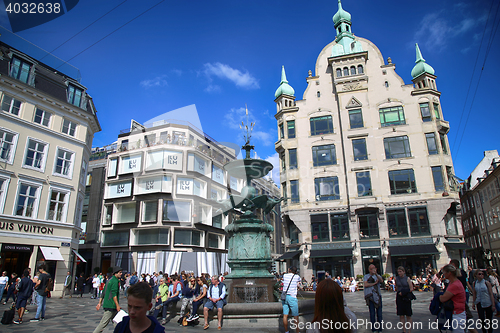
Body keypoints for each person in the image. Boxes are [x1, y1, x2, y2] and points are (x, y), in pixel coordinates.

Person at [93, 266, 122, 333]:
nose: (121, 274)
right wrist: (117, 305)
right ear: (115, 273)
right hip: (111, 305)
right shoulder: (115, 281)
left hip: (110, 305)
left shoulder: (109, 280)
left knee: (116, 322)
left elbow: (103, 293)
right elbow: (114, 294)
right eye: (120, 272)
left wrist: (99, 303)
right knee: (103, 324)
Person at [439, 264, 466, 333]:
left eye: (444, 272)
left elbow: (443, 298)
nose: (443, 274)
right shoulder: (453, 282)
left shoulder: (454, 285)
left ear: (449, 273)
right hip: (457, 312)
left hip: (457, 313)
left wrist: (440, 296)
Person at [281, 266, 301, 333]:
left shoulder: (285, 275)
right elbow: (299, 284)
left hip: (284, 296)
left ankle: (286, 331)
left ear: (289, 270)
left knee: (285, 315)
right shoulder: (297, 277)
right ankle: (297, 331)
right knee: (295, 316)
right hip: (292, 296)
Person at [364, 264, 383, 333]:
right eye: (371, 269)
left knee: (379, 314)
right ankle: (374, 329)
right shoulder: (366, 276)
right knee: (372, 313)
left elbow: (381, 281)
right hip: (370, 296)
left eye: (374, 268)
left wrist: (376, 274)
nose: (372, 270)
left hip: (377, 296)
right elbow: (366, 284)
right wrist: (374, 283)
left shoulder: (377, 276)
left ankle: (380, 328)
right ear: (369, 269)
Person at [395, 266, 413, 333]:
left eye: (400, 271)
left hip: (406, 296)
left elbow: (411, 288)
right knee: (401, 314)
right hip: (399, 297)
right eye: (398, 272)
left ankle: (409, 331)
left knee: (408, 314)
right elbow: (397, 286)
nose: (399, 273)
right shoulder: (396, 278)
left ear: (404, 272)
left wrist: (404, 292)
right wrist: (399, 292)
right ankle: (404, 330)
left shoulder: (407, 278)